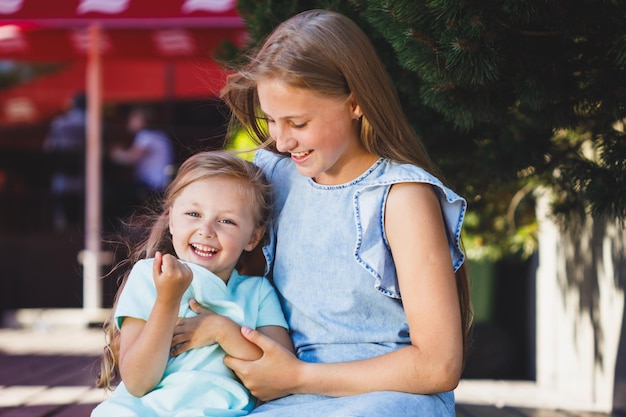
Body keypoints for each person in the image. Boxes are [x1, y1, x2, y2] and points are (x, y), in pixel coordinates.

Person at [174, 9, 473, 417]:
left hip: (387, 398)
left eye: (297, 122)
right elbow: (193, 235)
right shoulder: (272, 175)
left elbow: (439, 366)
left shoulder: (400, 197)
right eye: (271, 121)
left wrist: (296, 377)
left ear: (355, 103)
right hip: (286, 399)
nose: (281, 141)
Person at [91, 151, 293, 417]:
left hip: (222, 411)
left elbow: (281, 376)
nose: (206, 230)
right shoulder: (147, 276)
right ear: (172, 220)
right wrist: (168, 299)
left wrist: (222, 330)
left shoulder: (256, 293)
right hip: (145, 409)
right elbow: (138, 383)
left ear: (253, 237)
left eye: (227, 221)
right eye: (194, 213)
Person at [110, 105, 175, 206]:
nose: (129, 122)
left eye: (133, 119)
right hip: (159, 183)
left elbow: (131, 159)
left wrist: (115, 154)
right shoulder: (159, 135)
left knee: (115, 192)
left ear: (143, 120)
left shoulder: (146, 136)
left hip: (151, 185)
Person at [43, 92, 86, 231]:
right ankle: (81, 223)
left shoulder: (60, 121)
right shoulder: (93, 121)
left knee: (61, 194)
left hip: (63, 167)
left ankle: (61, 221)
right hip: (84, 169)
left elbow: (49, 146)